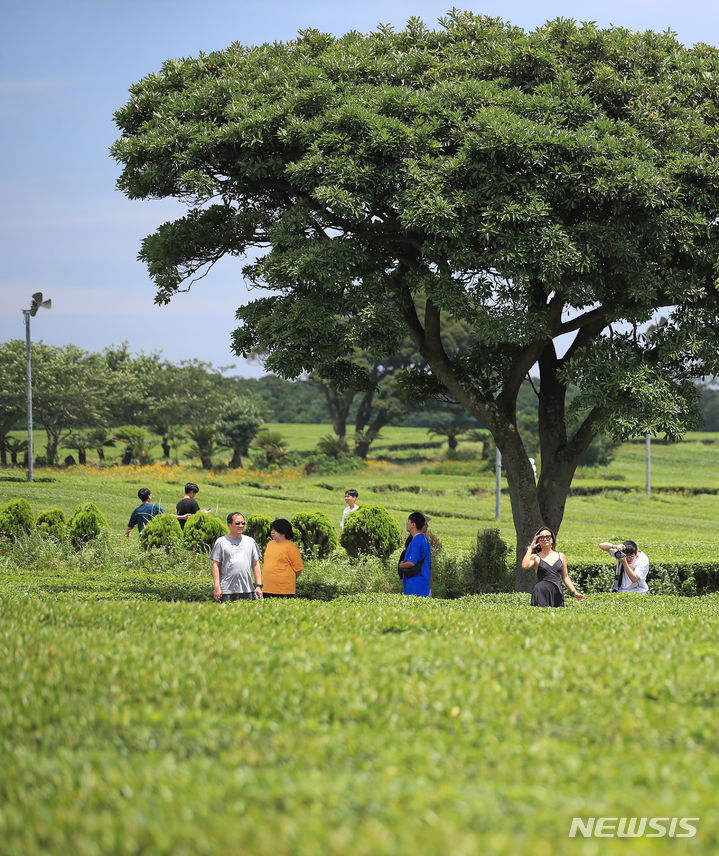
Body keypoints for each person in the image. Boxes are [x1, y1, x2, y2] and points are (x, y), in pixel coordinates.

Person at [522, 525, 586, 607]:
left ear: (552, 539)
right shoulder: (535, 557)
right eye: (541, 537)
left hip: (557, 591)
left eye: (548, 537)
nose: (545, 539)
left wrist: (574, 592)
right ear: (538, 541)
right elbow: (525, 565)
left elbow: (565, 577)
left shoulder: (561, 556)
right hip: (541, 592)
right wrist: (530, 548)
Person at [210, 512, 263, 602]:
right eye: (237, 523)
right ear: (229, 525)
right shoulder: (221, 542)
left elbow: (256, 564)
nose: (241, 526)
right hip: (227, 591)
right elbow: (215, 565)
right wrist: (217, 587)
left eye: (243, 523)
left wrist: (259, 586)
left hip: (247, 590)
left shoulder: (250, 541)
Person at [262, 518, 304, 598]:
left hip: (283, 589)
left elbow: (298, 569)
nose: (272, 532)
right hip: (266, 587)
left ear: (283, 532)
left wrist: (287, 580)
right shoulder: (270, 544)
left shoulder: (291, 547)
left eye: (275, 530)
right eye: (272, 529)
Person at [398, 511, 431, 597]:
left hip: (416, 586)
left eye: (408, 521)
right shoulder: (421, 538)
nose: (406, 524)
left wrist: (401, 565)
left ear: (413, 524)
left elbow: (411, 562)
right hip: (420, 584)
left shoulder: (417, 540)